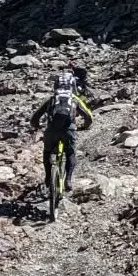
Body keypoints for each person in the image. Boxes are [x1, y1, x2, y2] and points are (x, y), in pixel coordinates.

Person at [30, 65, 93, 193]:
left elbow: (35, 117)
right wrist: (84, 127)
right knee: (70, 153)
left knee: (47, 152)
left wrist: (37, 126)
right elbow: (88, 117)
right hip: (68, 130)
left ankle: (48, 177)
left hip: (52, 130)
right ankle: (68, 180)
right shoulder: (74, 99)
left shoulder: (52, 99)